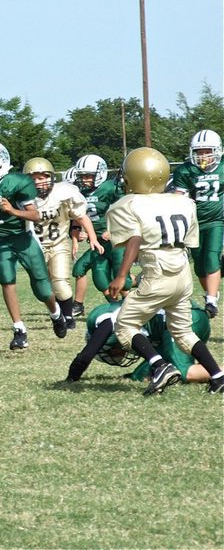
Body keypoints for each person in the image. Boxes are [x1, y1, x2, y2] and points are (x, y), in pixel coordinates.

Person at [105, 146, 224, 395]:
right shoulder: (182, 201)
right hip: (181, 270)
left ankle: (159, 366)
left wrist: (120, 276)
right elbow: (190, 242)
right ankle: (217, 375)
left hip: (157, 270)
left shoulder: (128, 204)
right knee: (182, 331)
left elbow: (135, 240)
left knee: (126, 325)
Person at [0, 140, 68, 350]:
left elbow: (35, 215)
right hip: (3, 241)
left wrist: (12, 211)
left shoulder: (15, 183)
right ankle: (19, 329)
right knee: (6, 280)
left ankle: (56, 313)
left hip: (24, 238)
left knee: (43, 290)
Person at [22, 157, 104, 330]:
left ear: (51, 177)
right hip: (34, 248)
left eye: (43, 177)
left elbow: (81, 216)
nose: (39, 182)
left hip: (59, 243)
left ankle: (67, 316)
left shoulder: (64, 193)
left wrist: (93, 237)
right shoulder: (21, 199)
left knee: (60, 282)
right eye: (33, 178)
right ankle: (57, 314)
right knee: (42, 288)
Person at [65, 300, 214, 386]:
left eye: (115, 350)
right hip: (188, 316)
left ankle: (218, 373)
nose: (119, 352)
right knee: (141, 375)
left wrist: (72, 377)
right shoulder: (112, 313)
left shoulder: (104, 320)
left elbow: (86, 355)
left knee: (183, 372)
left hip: (182, 319)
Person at [171, 129, 223, 318]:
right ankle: (212, 293)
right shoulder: (186, 170)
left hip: (217, 220)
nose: (203, 155)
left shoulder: (223, 167)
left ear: (217, 150)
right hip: (194, 223)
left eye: (207, 151)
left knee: (210, 258)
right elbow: (178, 195)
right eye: (199, 152)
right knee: (200, 266)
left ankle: (211, 301)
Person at [71, 154, 130, 304]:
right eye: (82, 176)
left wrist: (112, 229)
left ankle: (133, 304)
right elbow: (77, 218)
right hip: (97, 243)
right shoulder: (79, 193)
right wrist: (77, 235)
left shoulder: (110, 187)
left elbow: (124, 210)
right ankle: (116, 307)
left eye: (88, 176)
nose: (84, 180)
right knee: (101, 281)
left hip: (116, 241)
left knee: (123, 280)